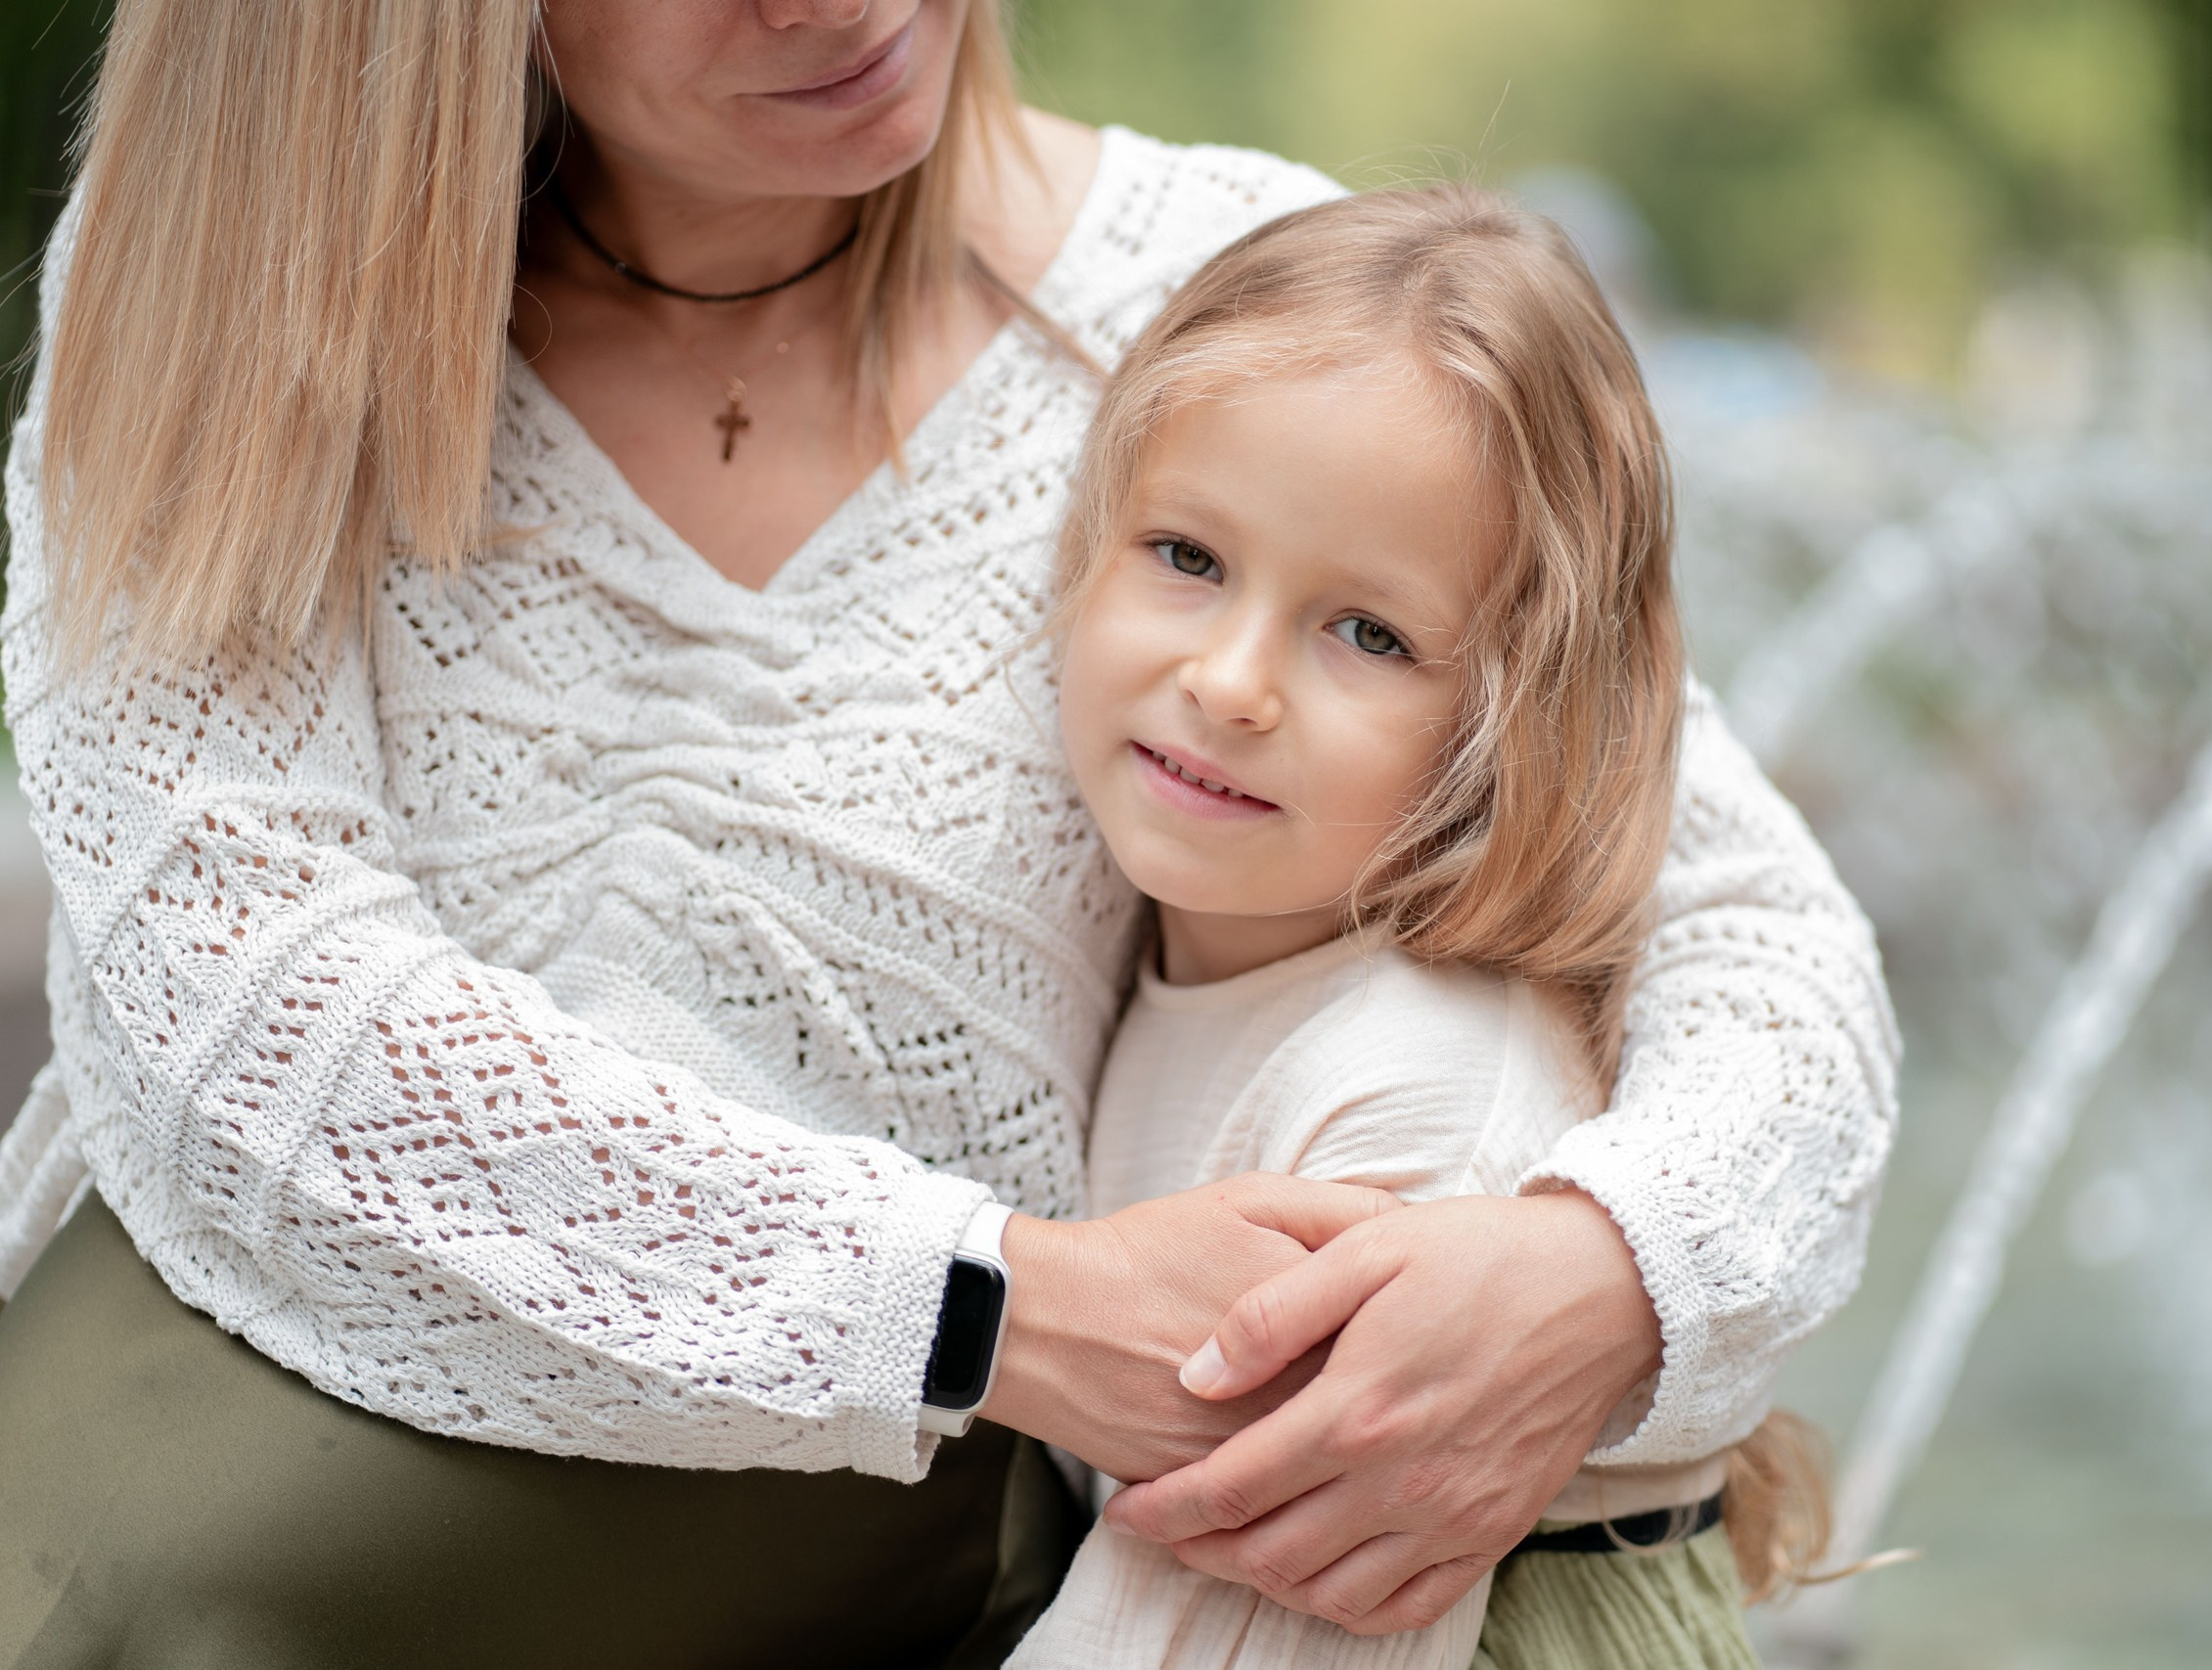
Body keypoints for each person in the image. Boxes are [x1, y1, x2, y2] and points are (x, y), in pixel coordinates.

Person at [0, 2, 1898, 1662]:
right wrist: (981, 1297)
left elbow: (1751, 941)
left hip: (916, 1560)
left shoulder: (1249, 307)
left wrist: (1606, 1270)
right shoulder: (234, 293)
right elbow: (245, 997)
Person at [1005, 182, 1827, 1670]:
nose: (1232, 680)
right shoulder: (1199, 954)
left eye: (1368, 633)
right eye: (1187, 557)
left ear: (1512, 725)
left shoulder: (1417, 1113)